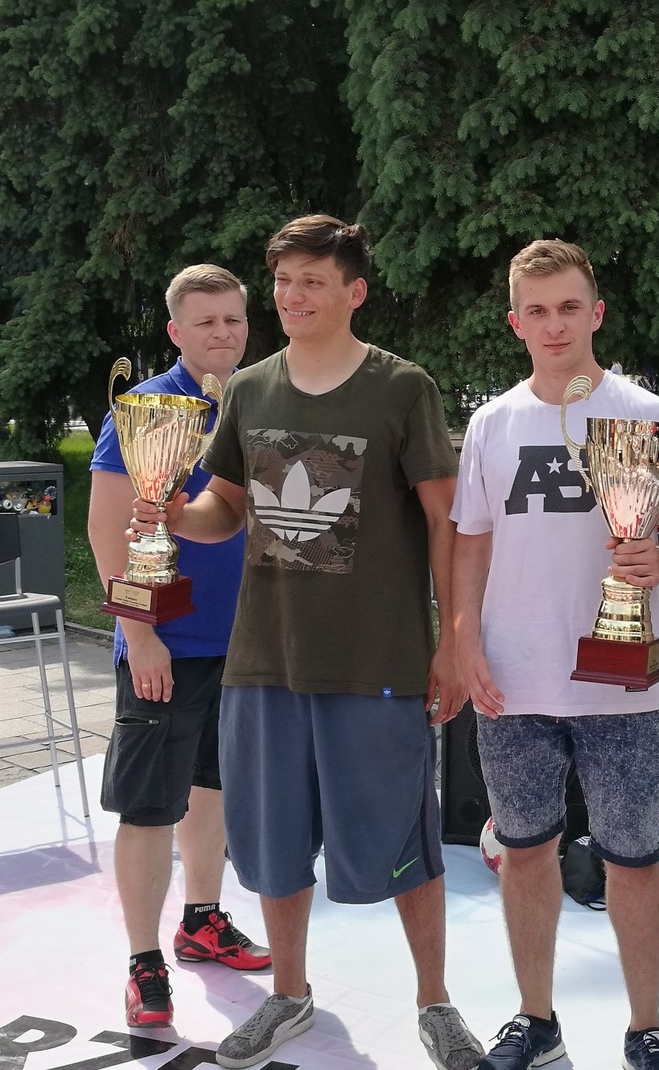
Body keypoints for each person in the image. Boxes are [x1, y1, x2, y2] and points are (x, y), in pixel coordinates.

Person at [139, 216, 483, 1070]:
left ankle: (435, 1003)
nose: (293, 296)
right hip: (266, 659)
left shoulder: (402, 388)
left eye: (313, 282)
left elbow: (446, 522)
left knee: (404, 843)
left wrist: (453, 642)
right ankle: (288, 995)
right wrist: (173, 513)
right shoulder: (250, 389)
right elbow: (225, 508)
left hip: (376, 662)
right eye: (284, 281)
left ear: (353, 292)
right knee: (273, 843)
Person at [449, 239, 659, 1070]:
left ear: (596, 313)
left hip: (622, 684)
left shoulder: (648, 414)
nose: (554, 324)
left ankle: (646, 1029)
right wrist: (463, 642)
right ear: (515, 322)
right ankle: (536, 1020)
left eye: (569, 307)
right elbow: (471, 543)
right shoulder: (492, 423)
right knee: (524, 853)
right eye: (538, 310)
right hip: (515, 681)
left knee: (633, 858)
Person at [89, 264, 270, 1029]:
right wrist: (138, 635)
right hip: (167, 641)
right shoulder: (148, 409)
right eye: (206, 321)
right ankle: (143, 962)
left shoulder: (255, 401)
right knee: (148, 805)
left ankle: (202, 920)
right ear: (175, 331)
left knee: (214, 788)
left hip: (243, 641)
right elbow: (107, 529)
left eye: (233, 319)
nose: (223, 333)